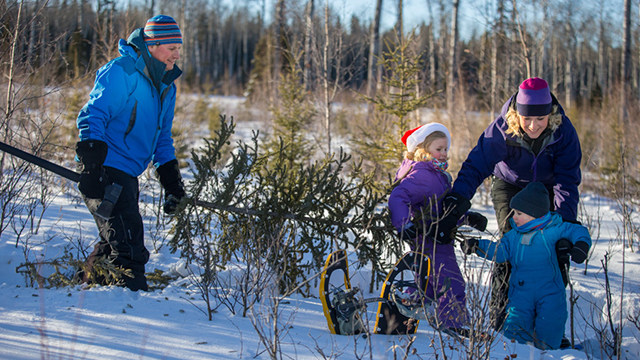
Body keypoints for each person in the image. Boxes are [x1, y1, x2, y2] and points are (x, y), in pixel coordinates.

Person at [429, 77, 583, 334]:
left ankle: (546, 327)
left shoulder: (563, 131)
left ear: (550, 115)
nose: (533, 126)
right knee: (512, 244)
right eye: (527, 119)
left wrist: (565, 223)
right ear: (517, 115)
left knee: (553, 248)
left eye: (540, 120)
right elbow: (477, 165)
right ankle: (501, 322)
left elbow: (567, 181)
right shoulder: (503, 129)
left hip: (547, 189)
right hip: (510, 186)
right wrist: (456, 202)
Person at [75, 15, 186, 291]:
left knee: (116, 239)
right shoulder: (122, 71)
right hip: (105, 168)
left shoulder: (166, 87)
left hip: (128, 174)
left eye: (179, 48)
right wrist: (91, 168)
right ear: (152, 45)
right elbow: (93, 116)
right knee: (129, 245)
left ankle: (87, 289)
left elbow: (162, 138)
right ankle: (129, 302)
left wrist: (172, 183)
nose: (177, 54)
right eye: (171, 47)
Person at [461, 182, 590, 349]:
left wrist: (581, 245)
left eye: (519, 213)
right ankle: (514, 352)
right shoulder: (513, 236)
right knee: (515, 325)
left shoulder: (554, 228)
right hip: (521, 292)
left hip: (550, 290)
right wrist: (477, 246)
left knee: (551, 321)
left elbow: (578, 231)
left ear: (534, 213)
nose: (513, 216)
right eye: (514, 211)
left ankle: (549, 352)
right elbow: (500, 251)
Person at [388, 123, 487, 336]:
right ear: (423, 150)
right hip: (430, 238)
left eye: (445, 149)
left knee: (429, 282)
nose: (443, 154)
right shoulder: (422, 175)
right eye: (438, 149)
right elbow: (398, 196)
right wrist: (404, 224)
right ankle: (454, 324)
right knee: (451, 281)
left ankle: (404, 307)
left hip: (437, 237)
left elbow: (442, 208)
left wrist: (467, 219)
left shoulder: (434, 174)